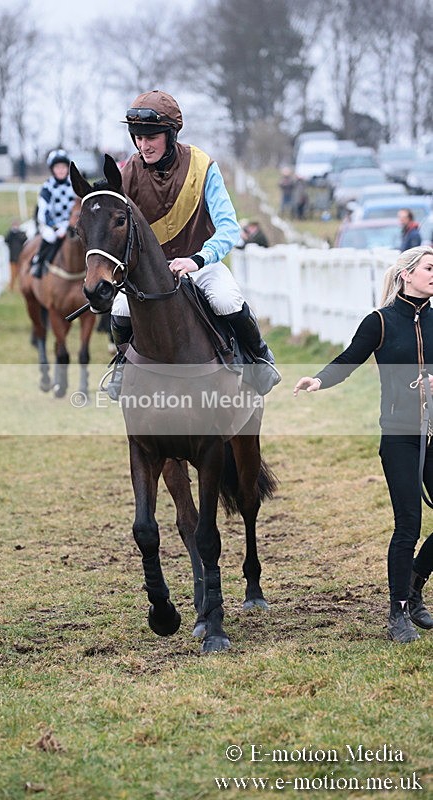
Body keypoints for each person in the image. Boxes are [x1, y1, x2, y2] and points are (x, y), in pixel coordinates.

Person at [293, 245, 433, 643]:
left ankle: (416, 583)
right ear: (406, 274)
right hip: (400, 436)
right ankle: (399, 612)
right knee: (409, 523)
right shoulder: (381, 322)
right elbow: (350, 357)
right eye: (429, 268)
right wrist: (318, 379)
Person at [107, 89, 280, 399]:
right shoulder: (129, 171)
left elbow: (229, 228)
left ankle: (260, 359)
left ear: (171, 134)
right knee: (120, 309)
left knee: (226, 300)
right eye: (137, 137)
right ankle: (122, 365)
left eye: (151, 137)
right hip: (152, 276)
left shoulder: (202, 167)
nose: (143, 145)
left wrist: (197, 260)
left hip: (201, 265)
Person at [30, 149, 76, 279]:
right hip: (51, 224)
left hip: (71, 223)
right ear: (52, 169)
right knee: (50, 236)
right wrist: (56, 228)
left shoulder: (74, 185)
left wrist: (67, 225)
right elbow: (43, 212)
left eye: (63, 167)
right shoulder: (47, 187)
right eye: (57, 167)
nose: (61, 170)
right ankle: (39, 262)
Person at [4, 219, 27, 291]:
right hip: (13, 257)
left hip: (20, 257)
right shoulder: (11, 234)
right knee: (13, 274)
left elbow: (24, 239)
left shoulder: (21, 233)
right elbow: (6, 240)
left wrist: (17, 232)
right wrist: (12, 232)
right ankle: (11, 288)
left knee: (21, 273)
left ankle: (21, 287)